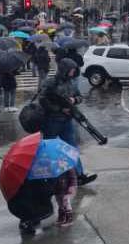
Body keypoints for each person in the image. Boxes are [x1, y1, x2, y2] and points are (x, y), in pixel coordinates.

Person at [38, 58, 96, 186]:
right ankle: (49, 176)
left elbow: (80, 97)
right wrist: (59, 109)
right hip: (51, 120)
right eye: (71, 69)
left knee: (71, 148)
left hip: (67, 120)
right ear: (64, 69)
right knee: (49, 148)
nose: (73, 72)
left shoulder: (71, 83)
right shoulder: (50, 82)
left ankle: (79, 174)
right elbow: (42, 100)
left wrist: (74, 100)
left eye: (74, 69)